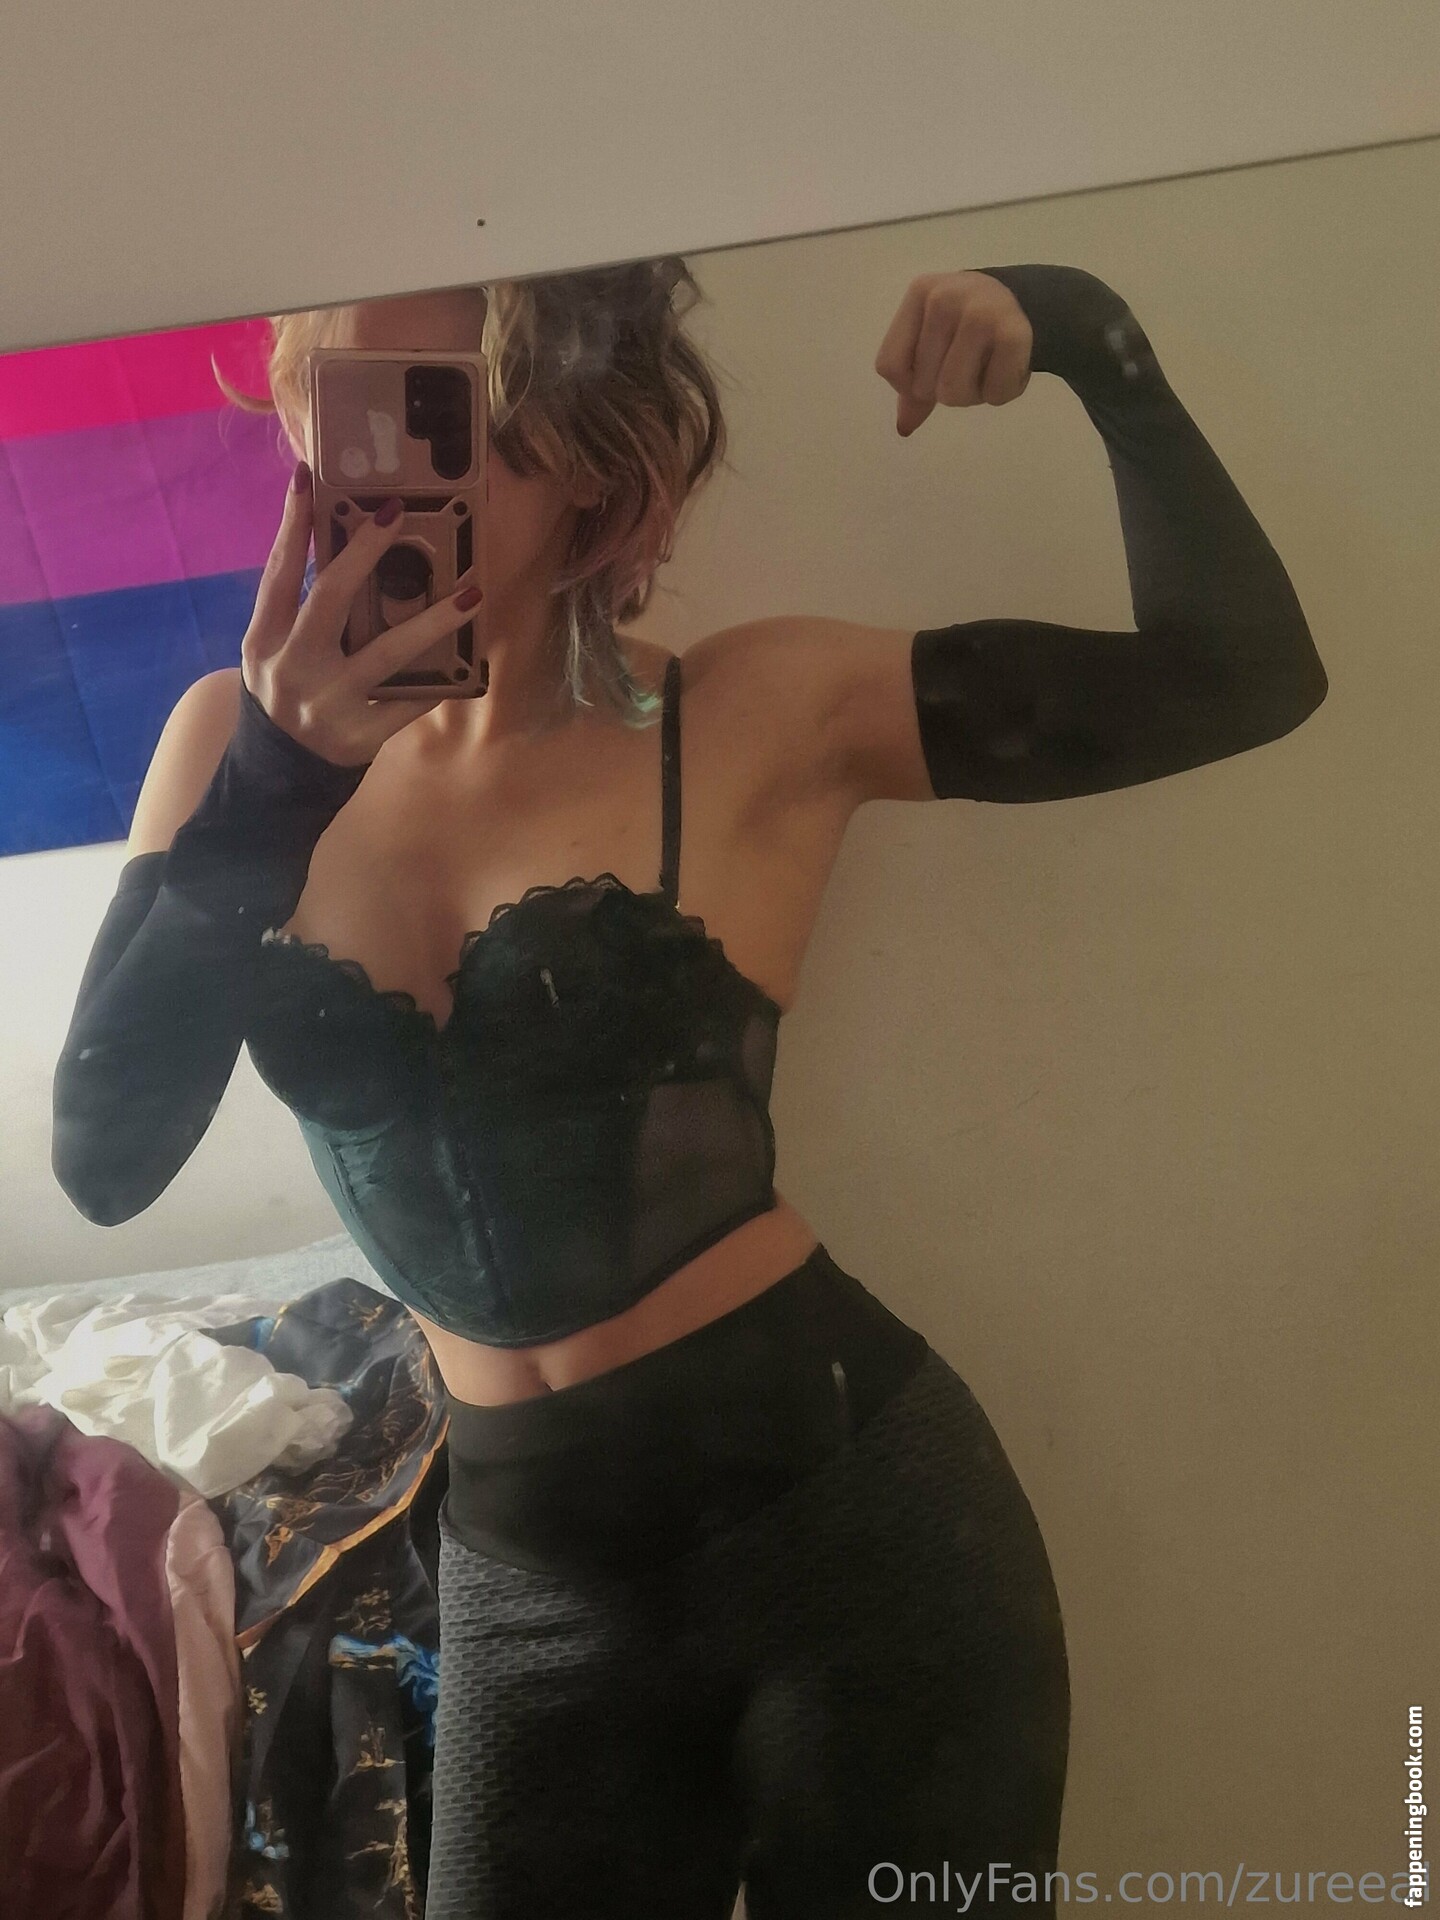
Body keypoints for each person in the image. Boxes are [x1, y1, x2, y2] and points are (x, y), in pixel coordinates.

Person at [51, 255, 1327, 1917]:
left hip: (856, 1548)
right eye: (343, 405)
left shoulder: (753, 712)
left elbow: (1245, 673)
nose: (382, 476)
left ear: (587, 453)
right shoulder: (224, 751)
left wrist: (1089, 331)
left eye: (447, 418)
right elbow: (106, 1162)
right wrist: (280, 785)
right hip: (530, 1593)